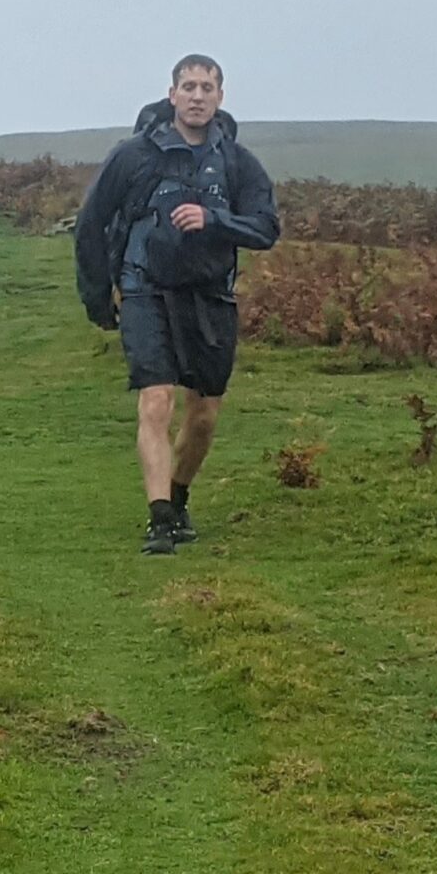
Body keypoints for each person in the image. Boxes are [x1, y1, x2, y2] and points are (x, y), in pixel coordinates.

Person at [74, 55, 279, 554]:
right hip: (145, 287)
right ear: (171, 95)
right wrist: (98, 295)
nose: (197, 95)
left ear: (220, 97)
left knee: (205, 413)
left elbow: (266, 229)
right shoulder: (133, 155)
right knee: (156, 398)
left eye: (207, 86)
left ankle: (179, 496)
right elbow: (90, 224)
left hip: (210, 295)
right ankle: (160, 519)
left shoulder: (238, 162)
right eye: (188, 86)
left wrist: (215, 220)